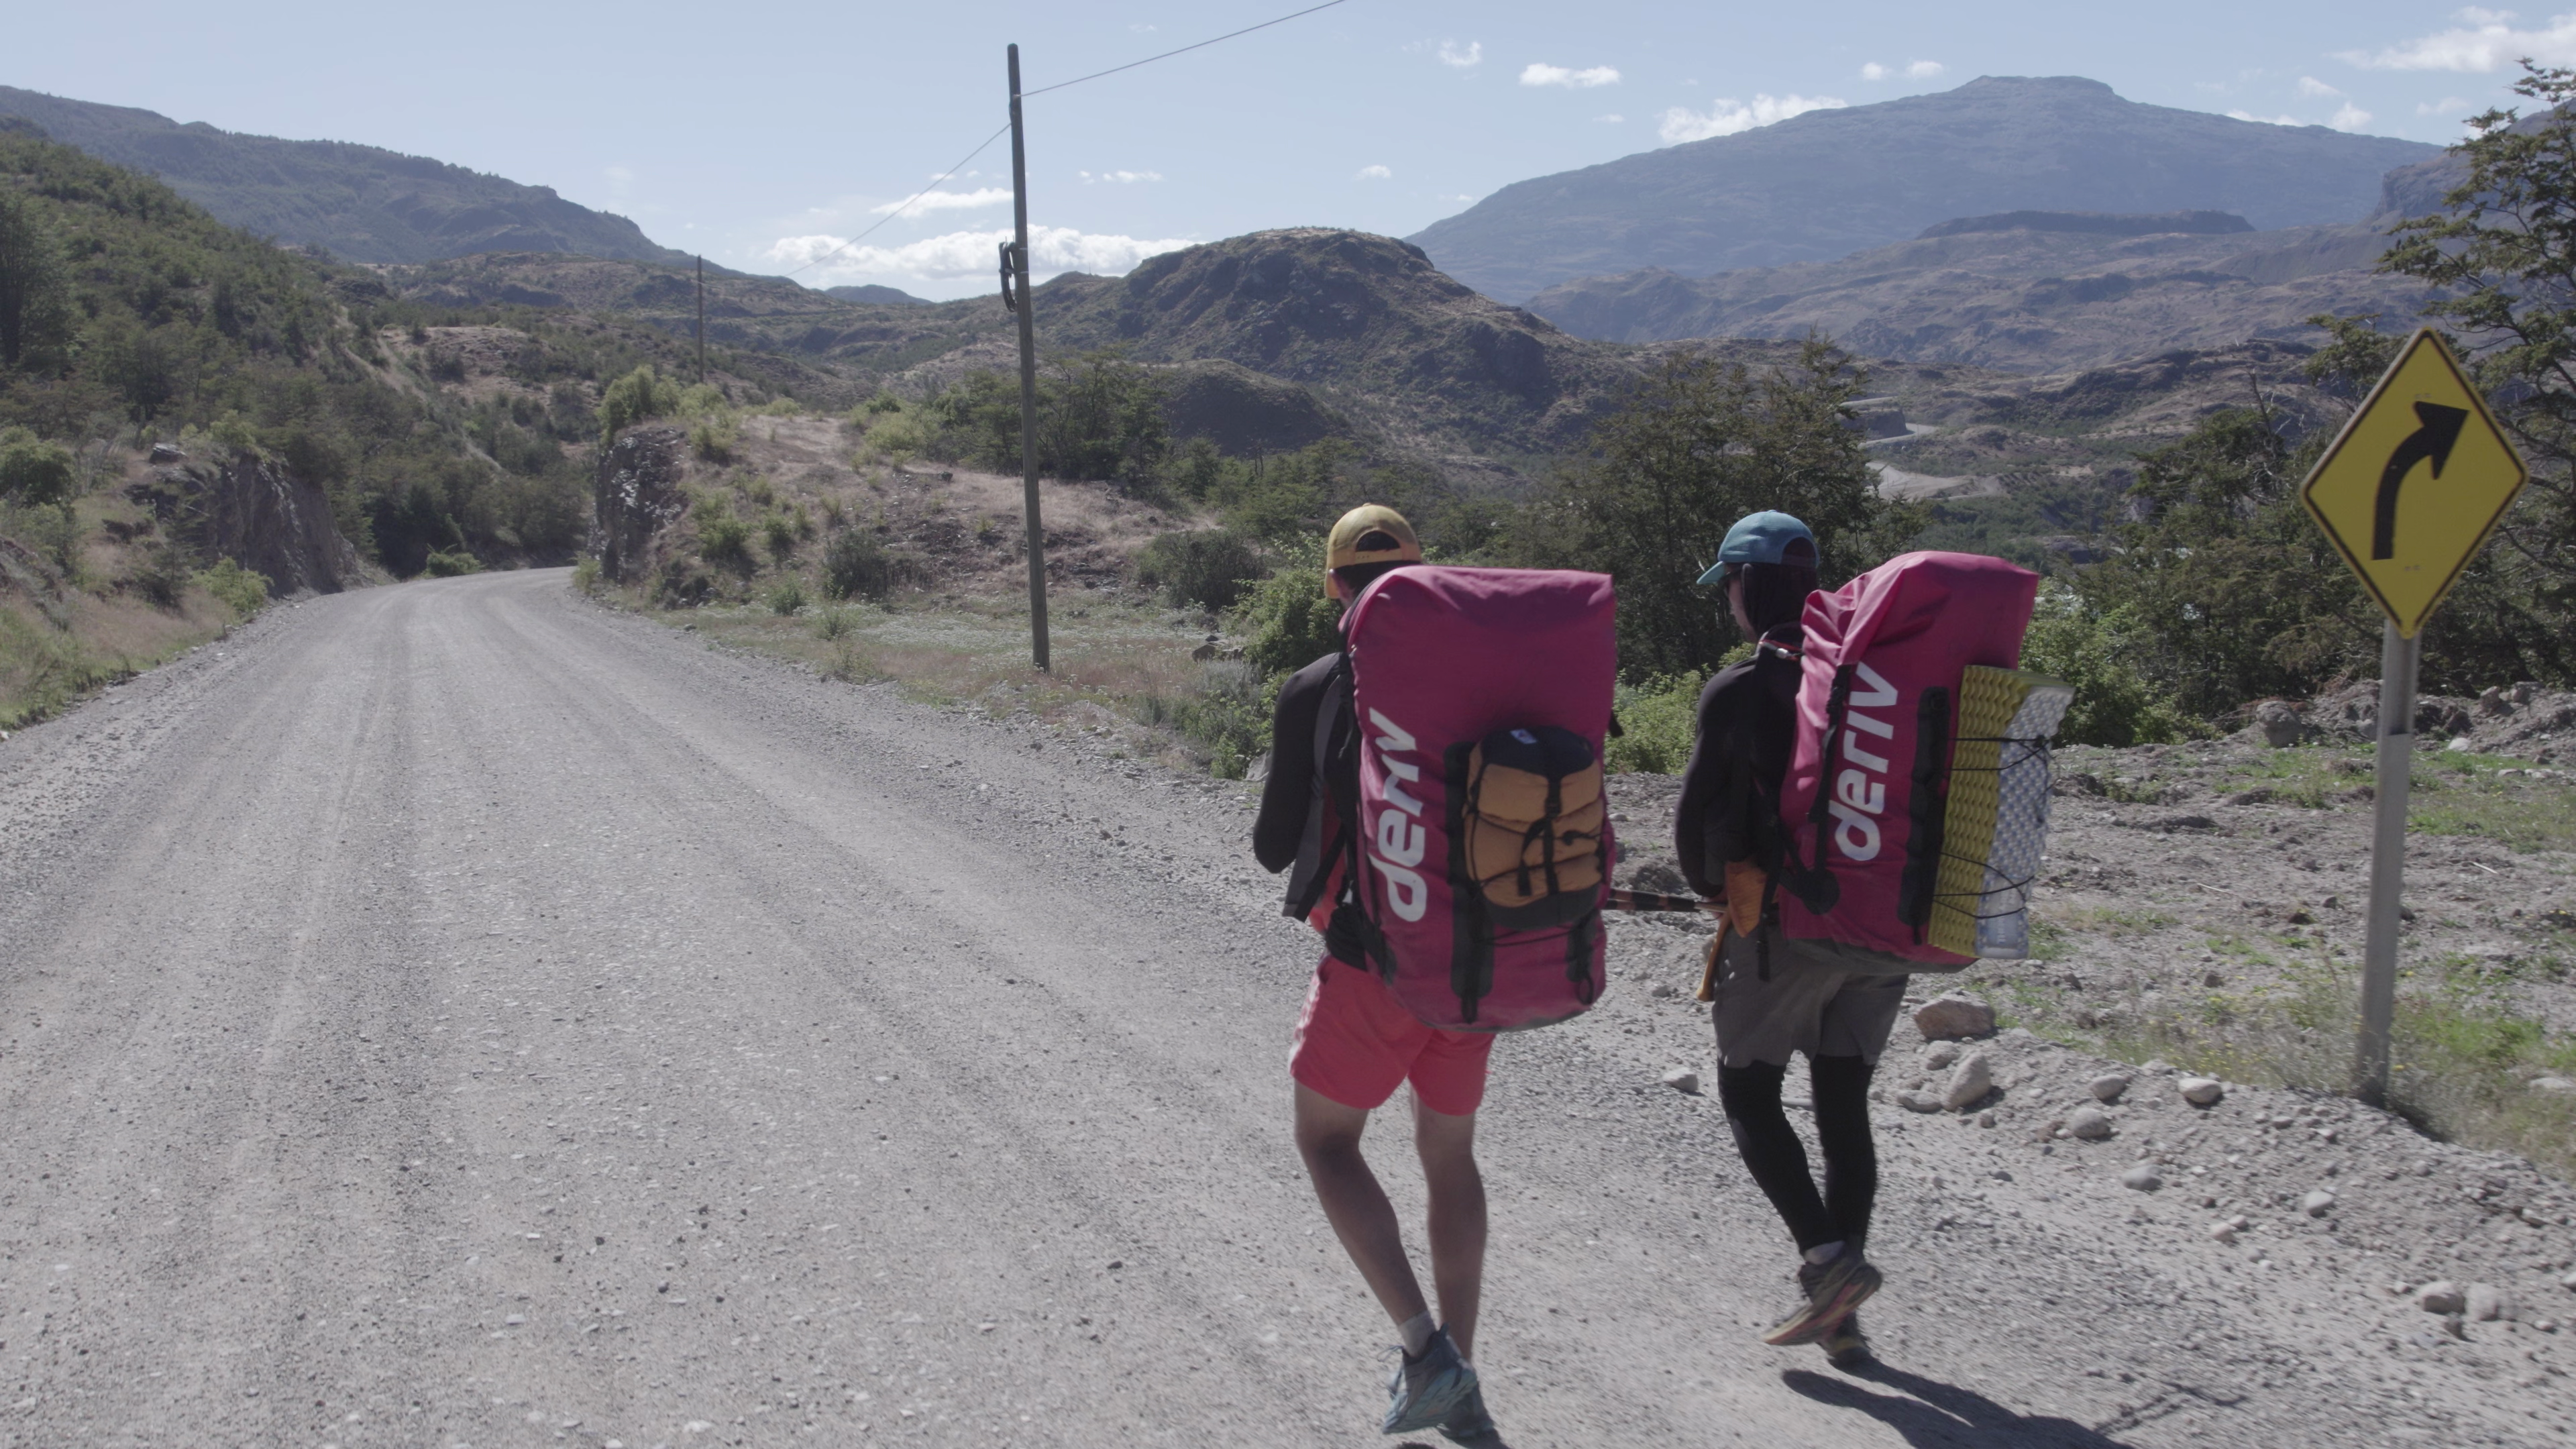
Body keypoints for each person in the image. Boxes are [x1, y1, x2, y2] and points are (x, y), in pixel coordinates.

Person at [1252, 504, 1501, 1446]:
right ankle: (1462, 1370)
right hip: (1478, 966)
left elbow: (1275, 846)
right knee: (1450, 1156)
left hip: (1372, 965)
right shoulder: (1477, 669)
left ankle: (1423, 1351)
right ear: (1419, 575)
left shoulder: (1317, 685)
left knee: (1326, 1142)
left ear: (1332, 589)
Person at [1673, 510, 1903, 1370]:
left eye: (1727, 584)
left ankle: (1826, 1262)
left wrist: (1712, 892)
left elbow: (1695, 826)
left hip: (1784, 934)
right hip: (1885, 931)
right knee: (1843, 1111)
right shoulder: (1874, 679)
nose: (1726, 599)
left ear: (1744, 583)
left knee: (1749, 1096)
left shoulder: (1740, 689)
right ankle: (1839, 1315)